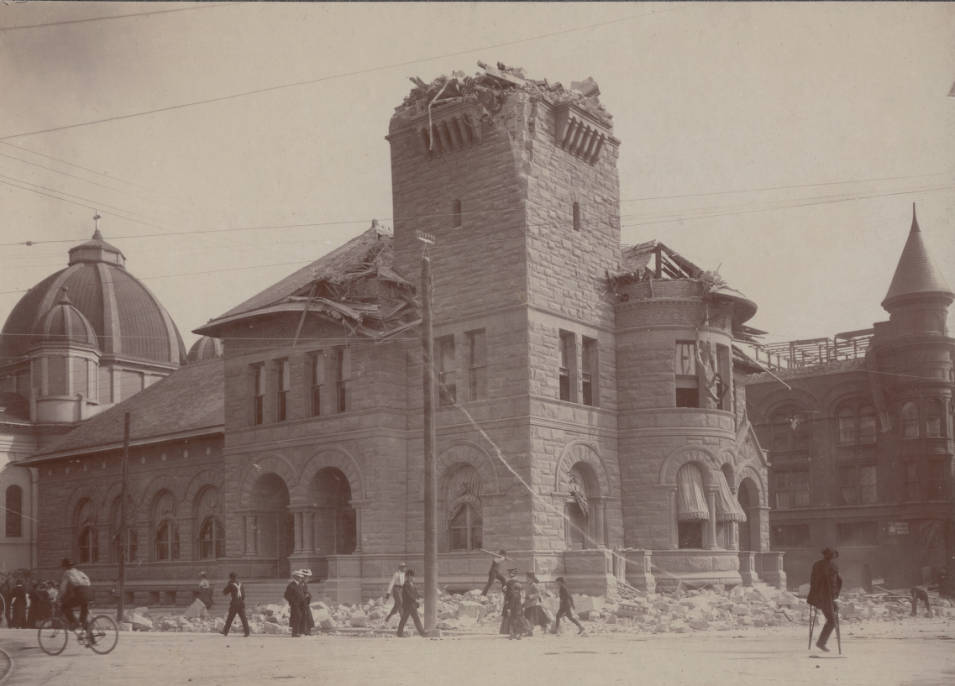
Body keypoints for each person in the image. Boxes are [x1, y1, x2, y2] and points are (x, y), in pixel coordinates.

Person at [807, 547, 842, 652]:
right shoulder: (832, 566)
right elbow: (835, 583)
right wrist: (835, 595)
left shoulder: (817, 564)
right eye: (832, 555)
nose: (832, 557)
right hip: (825, 598)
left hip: (818, 597)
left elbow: (813, 581)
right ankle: (821, 643)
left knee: (833, 618)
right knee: (832, 621)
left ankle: (821, 642)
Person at [59, 559, 93, 636]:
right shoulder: (80, 572)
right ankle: (91, 639)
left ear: (65, 567)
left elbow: (62, 588)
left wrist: (58, 598)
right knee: (83, 619)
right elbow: (88, 582)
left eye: (63, 567)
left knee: (64, 607)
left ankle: (73, 623)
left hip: (81, 593)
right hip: (90, 592)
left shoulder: (67, 573)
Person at [396, 567, 426, 637]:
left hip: (412, 605)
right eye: (412, 576)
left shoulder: (412, 584)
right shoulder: (406, 585)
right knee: (412, 619)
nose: (413, 578)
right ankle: (422, 633)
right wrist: (416, 599)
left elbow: (416, 593)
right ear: (409, 576)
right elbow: (409, 595)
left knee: (405, 619)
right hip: (408, 605)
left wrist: (421, 596)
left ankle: (399, 633)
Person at [500, 569, 527, 640]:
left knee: (512, 620)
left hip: (511, 605)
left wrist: (508, 607)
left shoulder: (510, 582)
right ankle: (517, 634)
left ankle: (513, 634)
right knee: (517, 620)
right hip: (518, 607)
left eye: (510, 573)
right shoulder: (518, 588)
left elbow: (507, 593)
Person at [222, 572, 250, 637]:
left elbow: (224, 592)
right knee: (243, 618)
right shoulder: (241, 584)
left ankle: (225, 631)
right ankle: (247, 632)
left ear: (231, 578)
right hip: (241, 603)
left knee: (230, 618)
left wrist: (228, 584)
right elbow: (243, 595)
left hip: (234, 603)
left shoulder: (231, 584)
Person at [522, 572, 550, 636]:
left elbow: (538, 593)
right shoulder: (527, 585)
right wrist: (524, 603)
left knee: (539, 619)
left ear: (531, 578)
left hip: (534, 605)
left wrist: (530, 596)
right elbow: (527, 595)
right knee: (527, 618)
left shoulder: (534, 585)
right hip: (528, 605)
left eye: (527, 578)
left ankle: (545, 629)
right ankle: (530, 631)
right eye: (526, 577)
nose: (526, 579)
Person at [285, 571, 305, 637]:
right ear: (295, 577)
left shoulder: (299, 585)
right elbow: (286, 595)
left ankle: (298, 632)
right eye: (299, 577)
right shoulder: (291, 585)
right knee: (297, 617)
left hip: (301, 604)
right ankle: (295, 633)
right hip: (295, 605)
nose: (301, 578)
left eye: (301, 577)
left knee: (299, 617)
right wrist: (293, 602)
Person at [299, 569, 315, 636]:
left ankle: (307, 631)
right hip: (302, 603)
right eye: (306, 577)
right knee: (305, 616)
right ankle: (304, 631)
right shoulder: (301, 584)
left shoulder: (304, 584)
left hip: (305, 603)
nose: (308, 578)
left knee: (307, 616)